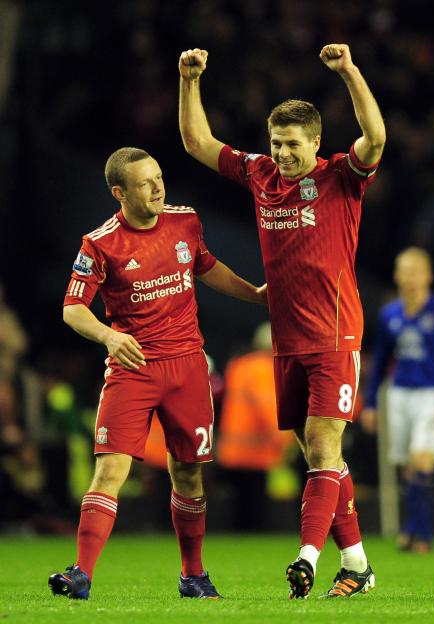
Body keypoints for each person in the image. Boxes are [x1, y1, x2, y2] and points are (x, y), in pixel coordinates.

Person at [178, 43, 386, 599]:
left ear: (315, 142)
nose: (283, 153)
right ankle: (359, 565)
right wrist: (189, 80)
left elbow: (377, 137)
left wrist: (348, 71)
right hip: (288, 341)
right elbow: (197, 142)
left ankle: (307, 556)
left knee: (322, 450)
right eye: (276, 143)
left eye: (293, 144)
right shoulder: (260, 175)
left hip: (337, 334)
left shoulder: (343, 176)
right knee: (324, 460)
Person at [48, 147, 266, 600]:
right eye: (145, 182)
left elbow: (206, 268)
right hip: (134, 369)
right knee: (110, 470)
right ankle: (81, 572)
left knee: (188, 475)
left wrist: (255, 295)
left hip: (188, 368)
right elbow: (72, 309)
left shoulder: (184, 221)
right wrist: (109, 337)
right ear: (119, 193)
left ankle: (193, 576)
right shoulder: (100, 243)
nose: (157, 187)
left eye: (159, 177)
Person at [362, 247, 434, 552]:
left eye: (416, 272)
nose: (410, 278)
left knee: (422, 458)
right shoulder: (389, 314)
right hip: (399, 394)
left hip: (432, 393)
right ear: (397, 275)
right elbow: (381, 361)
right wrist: (371, 403)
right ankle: (415, 531)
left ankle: (419, 533)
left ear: (428, 276)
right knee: (408, 468)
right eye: (405, 271)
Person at [216, 322, 294, 531]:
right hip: (256, 453)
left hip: (232, 449)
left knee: (239, 511)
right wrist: (286, 442)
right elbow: (268, 407)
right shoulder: (264, 369)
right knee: (255, 514)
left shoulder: (239, 365)